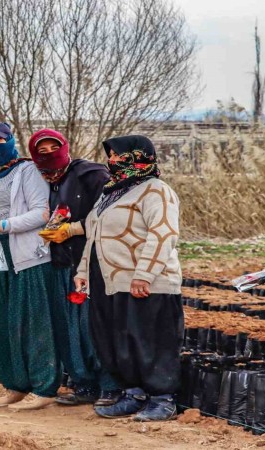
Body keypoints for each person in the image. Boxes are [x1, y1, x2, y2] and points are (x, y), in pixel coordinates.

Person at [74, 135, 183, 422]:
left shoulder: (156, 191)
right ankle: (133, 394)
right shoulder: (111, 193)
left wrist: (144, 275)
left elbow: (163, 234)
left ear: (139, 156)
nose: (111, 161)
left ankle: (163, 399)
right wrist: (83, 272)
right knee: (115, 341)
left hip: (147, 282)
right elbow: (93, 236)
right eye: (110, 156)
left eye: (118, 156)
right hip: (109, 282)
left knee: (150, 340)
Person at [0, 123, 59, 411]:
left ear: (9, 141)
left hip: (27, 255)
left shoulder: (27, 170)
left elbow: (42, 212)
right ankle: (15, 384)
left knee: (33, 322)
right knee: (1, 321)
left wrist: (5, 225)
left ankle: (43, 387)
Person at [28, 128, 110, 406]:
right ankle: (82, 383)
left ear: (65, 146)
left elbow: (111, 215)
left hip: (91, 261)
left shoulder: (91, 175)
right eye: (42, 150)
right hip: (60, 263)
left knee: (92, 325)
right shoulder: (41, 180)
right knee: (68, 327)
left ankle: (108, 386)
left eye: (54, 147)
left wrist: (73, 229)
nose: (49, 154)